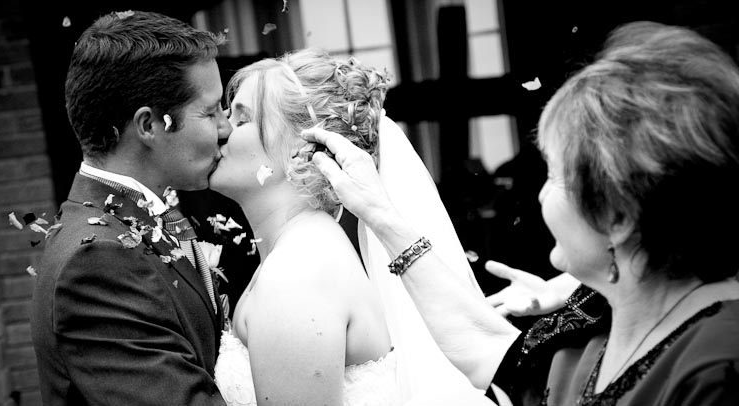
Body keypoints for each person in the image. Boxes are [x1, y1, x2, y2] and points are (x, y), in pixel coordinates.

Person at [304, 21, 739, 405]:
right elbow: (484, 350)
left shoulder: (718, 371)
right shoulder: (599, 317)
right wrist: (380, 214)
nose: (541, 195)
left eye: (556, 176)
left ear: (618, 216)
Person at [208, 47, 495, 405]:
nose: (220, 129)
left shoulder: (298, 275)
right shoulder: (298, 250)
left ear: (303, 145)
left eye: (242, 119)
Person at [30, 11, 231, 405]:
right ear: (150, 125)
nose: (225, 127)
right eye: (210, 112)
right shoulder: (97, 260)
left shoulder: (139, 221)